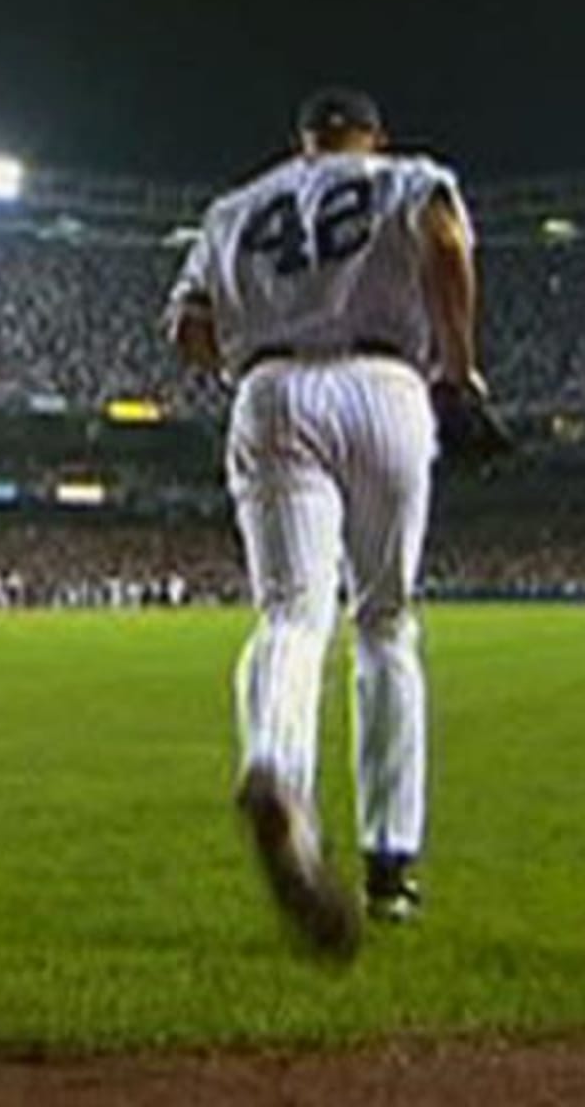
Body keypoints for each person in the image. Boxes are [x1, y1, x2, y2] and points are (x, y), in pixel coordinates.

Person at [165, 85, 488, 960]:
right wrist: (459, 371)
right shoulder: (404, 176)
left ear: (302, 143)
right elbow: (446, 239)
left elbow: (187, 330)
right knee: (384, 623)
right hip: (386, 385)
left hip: (269, 391)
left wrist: (255, 345)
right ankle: (392, 866)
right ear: (370, 137)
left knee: (292, 614)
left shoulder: (235, 209)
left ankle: (277, 771)